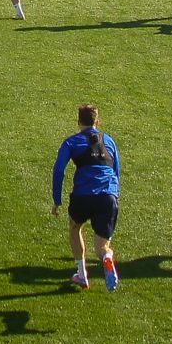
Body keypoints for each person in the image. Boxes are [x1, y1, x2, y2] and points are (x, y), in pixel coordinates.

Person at [52, 103, 122, 292]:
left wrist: (56, 200)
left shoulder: (71, 142)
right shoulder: (110, 141)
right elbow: (116, 171)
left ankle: (82, 275)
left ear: (78, 122)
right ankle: (107, 258)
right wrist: (115, 196)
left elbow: (59, 170)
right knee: (102, 247)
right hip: (108, 196)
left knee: (75, 227)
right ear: (97, 121)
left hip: (83, 196)